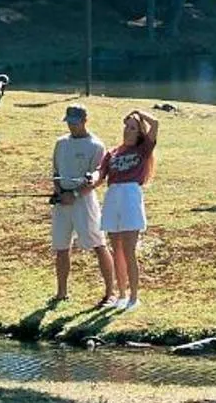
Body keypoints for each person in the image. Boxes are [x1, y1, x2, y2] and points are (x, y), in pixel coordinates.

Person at [47, 102, 110, 306]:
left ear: (84, 121)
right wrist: (59, 192)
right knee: (61, 246)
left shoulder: (96, 146)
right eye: (69, 122)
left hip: (84, 202)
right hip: (62, 203)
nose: (71, 127)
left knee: (98, 243)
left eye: (75, 123)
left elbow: (96, 179)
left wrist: (74, 194)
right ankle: (61, 292)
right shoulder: (61, 143)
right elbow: (56, 173)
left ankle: (110, 292)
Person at [98, 109, 159, 311]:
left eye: (132, 128)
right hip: (113, 196)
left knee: (129, 250)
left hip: (130, 197)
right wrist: (90, 178)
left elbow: (156, 124)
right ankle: (121, 294)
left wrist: (137, 113)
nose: (127, 130)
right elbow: (101, 173)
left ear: (139, 132)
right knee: (117, 250)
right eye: (126, 126)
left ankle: (134, 296)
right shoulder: (113, 152)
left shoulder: (142, 149)